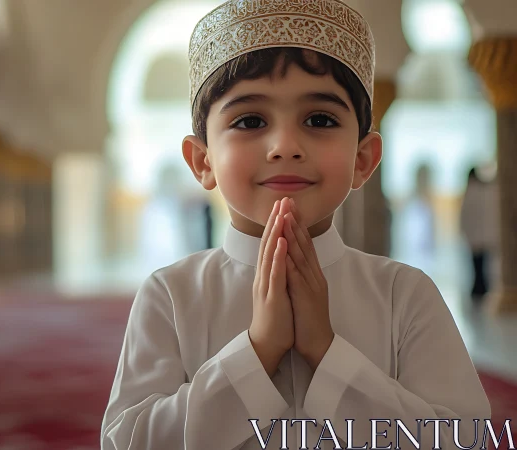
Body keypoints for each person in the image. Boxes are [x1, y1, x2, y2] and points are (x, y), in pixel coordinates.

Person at [101, 1, 491, 449]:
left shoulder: (404, 295)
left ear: (363, 160)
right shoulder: (171, 295)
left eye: (319, 119)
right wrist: (257, 350)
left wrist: (327, 351)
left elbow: (465, 439)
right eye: (250, 120)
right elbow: (126, 441)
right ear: (202, 160)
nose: (285, 146)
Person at [459, 166, 499, 301]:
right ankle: (479, 290)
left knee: (481, 267)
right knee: (479, 267)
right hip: (479, 237)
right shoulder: (479, 191)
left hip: (478, 237)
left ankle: (480, 290)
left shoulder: (476, 191)